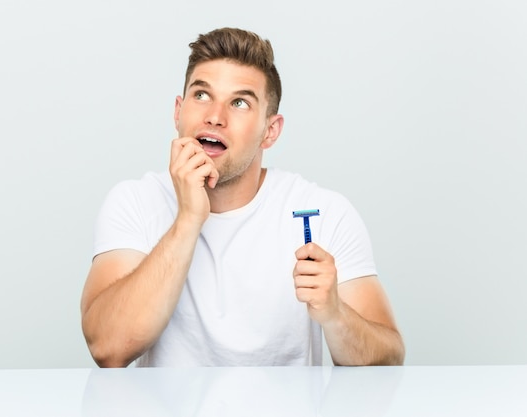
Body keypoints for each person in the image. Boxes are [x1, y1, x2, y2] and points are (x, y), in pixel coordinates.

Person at [80, 27, 405, 367]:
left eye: (239, 102)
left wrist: (335, 314)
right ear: (179, 110)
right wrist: (189, 219)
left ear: (270, 130)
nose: (215, 117)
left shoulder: (325, 212)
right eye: (202, 95)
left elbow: (389, 356)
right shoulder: (134, 201)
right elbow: (108, 348)